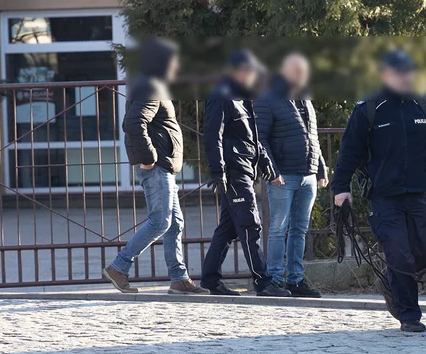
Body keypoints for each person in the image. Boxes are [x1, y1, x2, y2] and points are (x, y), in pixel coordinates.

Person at [331, 49, 426, 333]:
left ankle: (391, 281)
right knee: (399, 255)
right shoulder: (369, 110)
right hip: (384, 198)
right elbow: (348, 152)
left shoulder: (423, 107)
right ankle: (409, 314)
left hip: (418, 193)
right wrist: (341, 188)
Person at [104, 38, 208, 294]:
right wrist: (149, 157)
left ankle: (179, 278)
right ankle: (119, 266)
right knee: (160, 222)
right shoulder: (150, 86)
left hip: (162, 166)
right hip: (157, 167)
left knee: (175, 223)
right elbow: (133, 123)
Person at [200, 50, 290, 297]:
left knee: (228, 229)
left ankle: (209, 279)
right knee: (251, 225)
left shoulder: (243, 98)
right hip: (233, 171)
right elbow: (212, 135)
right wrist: (218, 170)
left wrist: (269, 168)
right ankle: (263, 282)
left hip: (244, 170)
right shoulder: (221, 96)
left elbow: (253, 139)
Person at [256, 53, 327, 297]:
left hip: (308, 176)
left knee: (300, 229)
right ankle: (273, 280)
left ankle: (295, 280)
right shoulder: (268, 99)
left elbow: (312, 137)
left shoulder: (304, 99)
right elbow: (260, 139)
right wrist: (271, 171)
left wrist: (321, 168)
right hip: (282, 176)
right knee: (278, 228)